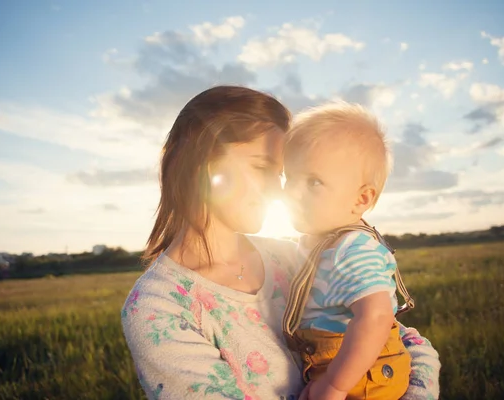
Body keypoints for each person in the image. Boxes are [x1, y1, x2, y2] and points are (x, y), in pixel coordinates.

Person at [121, 85, 441, 400]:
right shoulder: (158, 309)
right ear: (202, 167)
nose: (279, 192)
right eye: (262, 168)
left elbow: (407, 343)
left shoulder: (295, 257)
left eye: (281, 175)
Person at [282, 102, 420, 400]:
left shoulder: (352, 248)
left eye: (314, 182)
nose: (291, 191)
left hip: (362, 375)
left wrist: (334, 384)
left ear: (360, 199)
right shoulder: (317, 242)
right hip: (336, 364)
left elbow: (376, 316)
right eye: (288, 177)